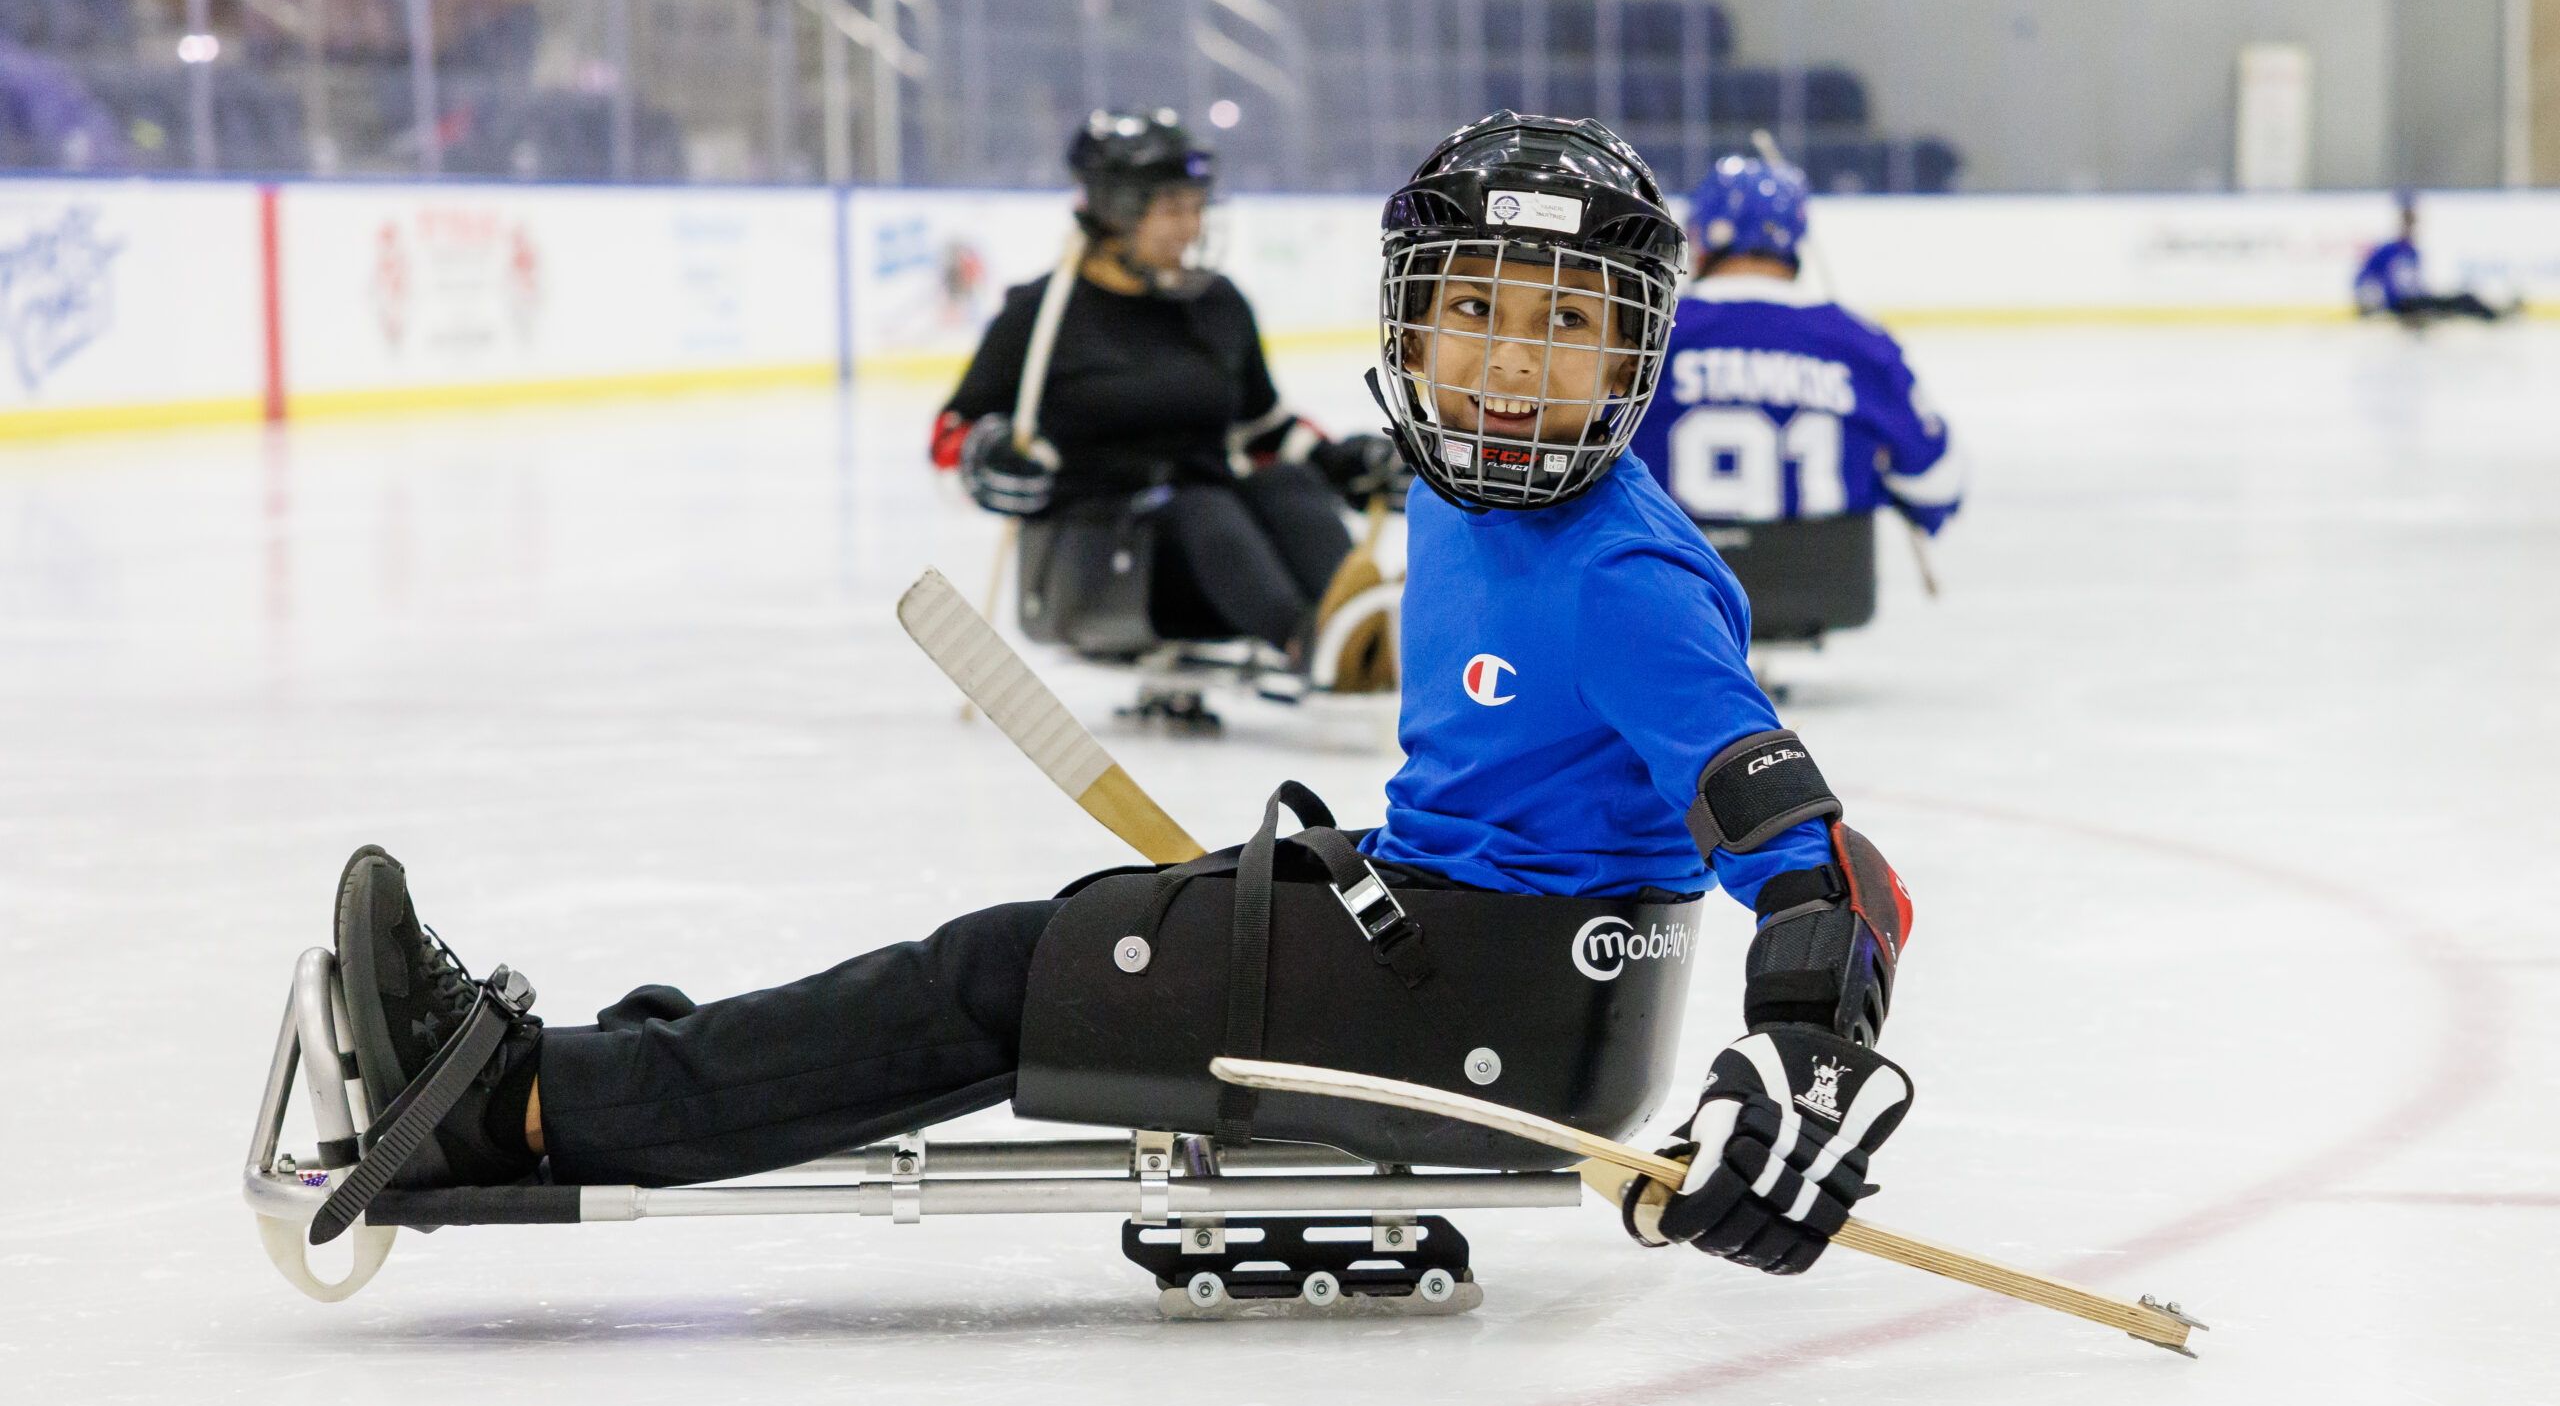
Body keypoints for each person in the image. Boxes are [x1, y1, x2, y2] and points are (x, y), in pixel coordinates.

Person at [324, 113, 1917, 1279]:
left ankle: (522, 1104)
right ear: (1413, 324)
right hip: (1436, 933)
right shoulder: (1456, 489)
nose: (1511, 363)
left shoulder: (1626, 578)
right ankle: (617, 1067)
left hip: (1493, 1013)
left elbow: (1826, 864)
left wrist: (1806, 1051)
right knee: (1053, 944)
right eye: (1477, 309)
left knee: (989, 979)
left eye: (1567, 320)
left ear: (1635, 349)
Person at [928, 109, 1399, 661]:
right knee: (1201, 508)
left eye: (1197, 207)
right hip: (1094, 565)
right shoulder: (1041, 313)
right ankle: (1312, 645)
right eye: (1172, 208)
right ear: (1112, 211)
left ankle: (1360, 636)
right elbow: (950, 432)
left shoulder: (1218, 304)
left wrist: (1337, 461)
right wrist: (990, 455)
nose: (1191, 227)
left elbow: (1263, 427)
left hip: (1211, 556)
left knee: (1285, 488)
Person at [1628, 155, 1962, 538]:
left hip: (1677, 591)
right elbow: (1939, 483)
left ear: (1701, 236)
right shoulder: (1860, 345)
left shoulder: (1652, 334)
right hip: (1829, 594)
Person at [2353, 195, 2516, 325]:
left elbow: (2418, 285)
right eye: (2408, 223)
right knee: (2450, 302)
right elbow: (2362, 278)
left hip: (2419, 302)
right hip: (2402, 306)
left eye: (2412, 224)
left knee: (2463, 298)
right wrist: (2371, 301)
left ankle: (2494, 315)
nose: (2410, 228)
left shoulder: (2413, 252)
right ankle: (2495, 316)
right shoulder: (2386, 250)